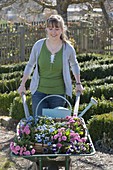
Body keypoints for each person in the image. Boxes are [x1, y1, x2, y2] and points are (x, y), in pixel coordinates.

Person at [18, 14, 84, 118]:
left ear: (62, 30)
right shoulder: (38, 46)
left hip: (58, 94)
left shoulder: (68, 48)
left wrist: (78, 83)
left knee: (56, 127)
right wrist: (22, 84)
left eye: (57, 29)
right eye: (51, 28)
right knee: (39, 124)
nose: (53, 32)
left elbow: (74, 65)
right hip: (39, 92)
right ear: (47, 30)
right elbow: (30, 65)